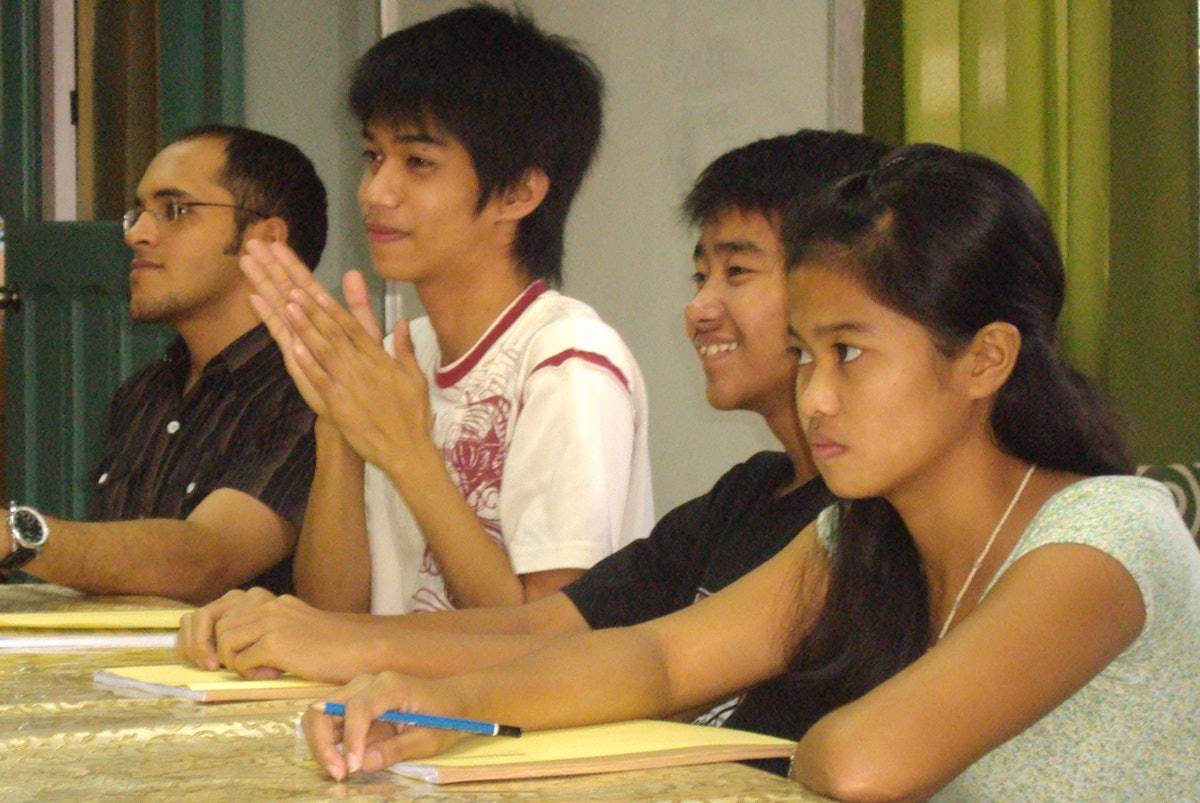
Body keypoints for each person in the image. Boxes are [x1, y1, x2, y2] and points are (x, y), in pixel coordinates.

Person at [300, 144, 1200, 799]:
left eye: (852, 352)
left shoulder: (1112, 533)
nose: (817, 398)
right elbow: (658, 656)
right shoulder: (865, 530)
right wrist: (442, 705)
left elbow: (858, 763)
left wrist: (773, 747)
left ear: (986, 359)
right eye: (807, 354)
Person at [179, 132, 889, 766]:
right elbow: (566, 630)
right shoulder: (748, 493)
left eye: (737, 274)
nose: (700, 308)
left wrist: (366, 647)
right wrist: (339, 639)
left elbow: (642, 659)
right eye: (699, 275)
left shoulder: (570, 361)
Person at [229, 3, 654, 617]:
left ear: (519, 192)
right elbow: (335, 613)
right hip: (396, 703)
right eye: (373, 156)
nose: (376, 193)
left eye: (418, 162)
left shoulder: (568, 363)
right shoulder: (401, 356)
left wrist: (406, 450)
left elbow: (545, 643)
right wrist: (338, 425)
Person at [0, 125, 326, 604]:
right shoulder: (144, 392)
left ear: (266, 239)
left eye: (176, 210)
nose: (137, 234)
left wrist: (17, 536)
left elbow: (206, 560)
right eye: (139, 212)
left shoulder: (313, 388)